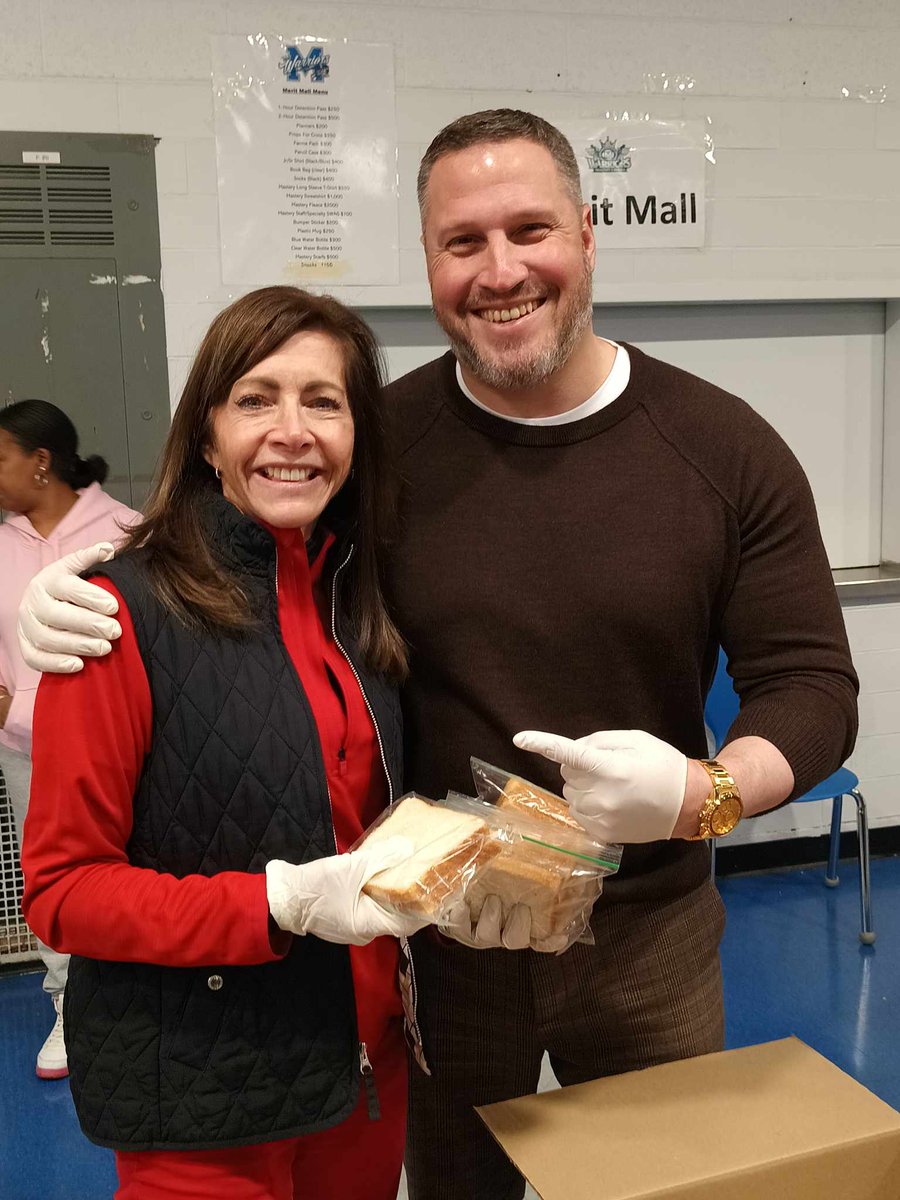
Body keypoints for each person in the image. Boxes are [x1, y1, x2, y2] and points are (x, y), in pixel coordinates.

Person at [18, 111, 859, 1200]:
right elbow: (250, 522)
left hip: (649, 939)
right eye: (464, 242)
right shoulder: (381, 446)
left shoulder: (723, 447)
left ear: (589, 236)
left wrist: (705, 792)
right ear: (427, 263)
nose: (500, 270)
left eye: (531, 230)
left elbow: (812, 686)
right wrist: (78, 570)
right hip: (435, 942)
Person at [17, 287, 430, 1200]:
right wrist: (274, 903)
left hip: (363, 1069)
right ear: (206, 436)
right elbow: (61, 891)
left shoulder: (359, 606)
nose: (293, 430)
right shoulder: (119, 615)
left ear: (357, 436)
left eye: (324, 402)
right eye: (255, 399)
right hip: (204, 1090)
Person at [0, 399, 140, 1080]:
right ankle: (69, 1007)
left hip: (120, 748)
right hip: (25, 746)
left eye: (0, 457)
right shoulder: (0, 542)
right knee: (48, 878)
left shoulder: (126, 529)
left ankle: (136, 1000)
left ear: (41, 462)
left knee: (127, 868)